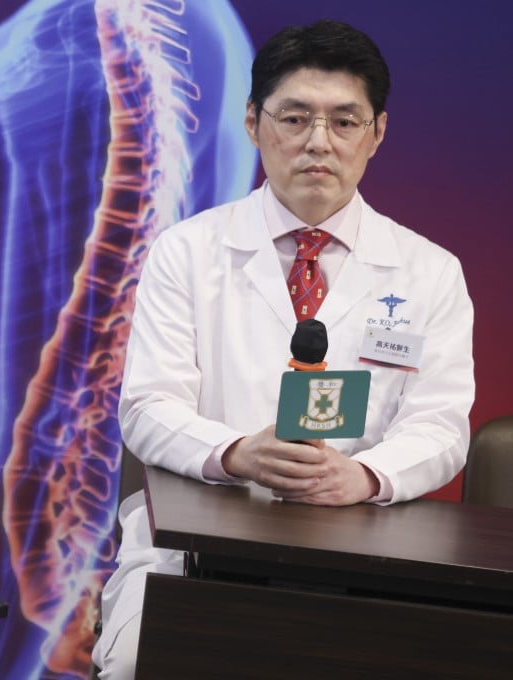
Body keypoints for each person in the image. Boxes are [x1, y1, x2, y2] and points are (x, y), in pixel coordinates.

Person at [91, 19, 474, 679]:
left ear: (377, 133)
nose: (317, 143)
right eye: (295, 118)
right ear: (252, 121)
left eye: (344, 122)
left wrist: (366, 476)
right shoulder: (187, 251)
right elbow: (148, 407)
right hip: (195, 548)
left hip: (362, 553)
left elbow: (441, 424)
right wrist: (238, 453)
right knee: (140, 664)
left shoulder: (429, 272)